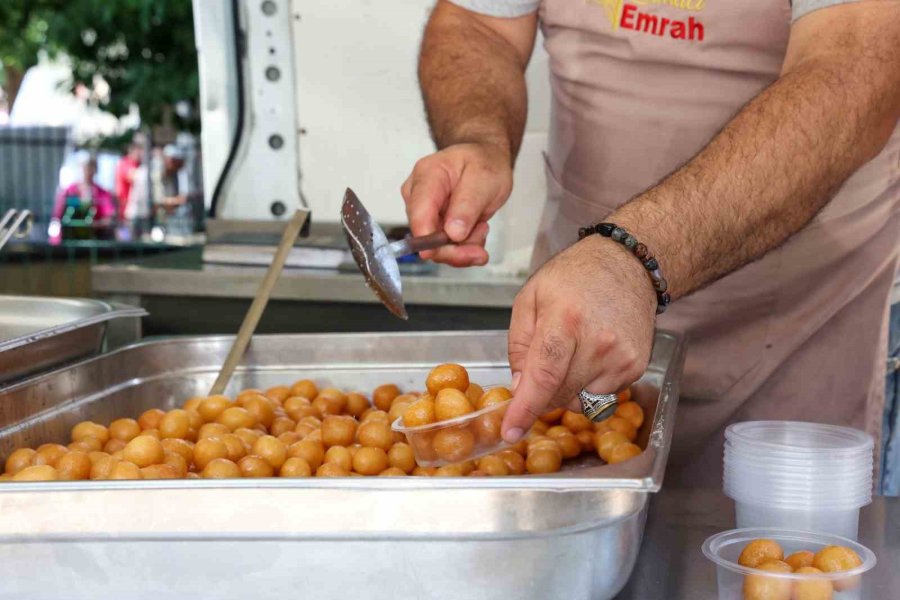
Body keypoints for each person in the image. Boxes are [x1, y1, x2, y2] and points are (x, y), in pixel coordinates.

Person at [402, 0, 900, 484]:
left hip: (790, 327)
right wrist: (480, 137)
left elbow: (853, 70)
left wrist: (630, 257)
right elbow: (480, 25)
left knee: (776, 525)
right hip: (580, 304)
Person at [52, 151, 117, 225]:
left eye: (91, 168)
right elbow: (58, 213)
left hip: (94, 231)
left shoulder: (102, 193)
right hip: (70, 230)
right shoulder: (69, 191)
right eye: (86, 168)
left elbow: (109, 215)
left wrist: (95, 224)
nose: (88, 171)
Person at [114, 134, 146, 219]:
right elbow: (134, 176)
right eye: (141, 149)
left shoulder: (138, 164)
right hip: (126, 214)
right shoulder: (124, 163)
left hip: (138, 212)